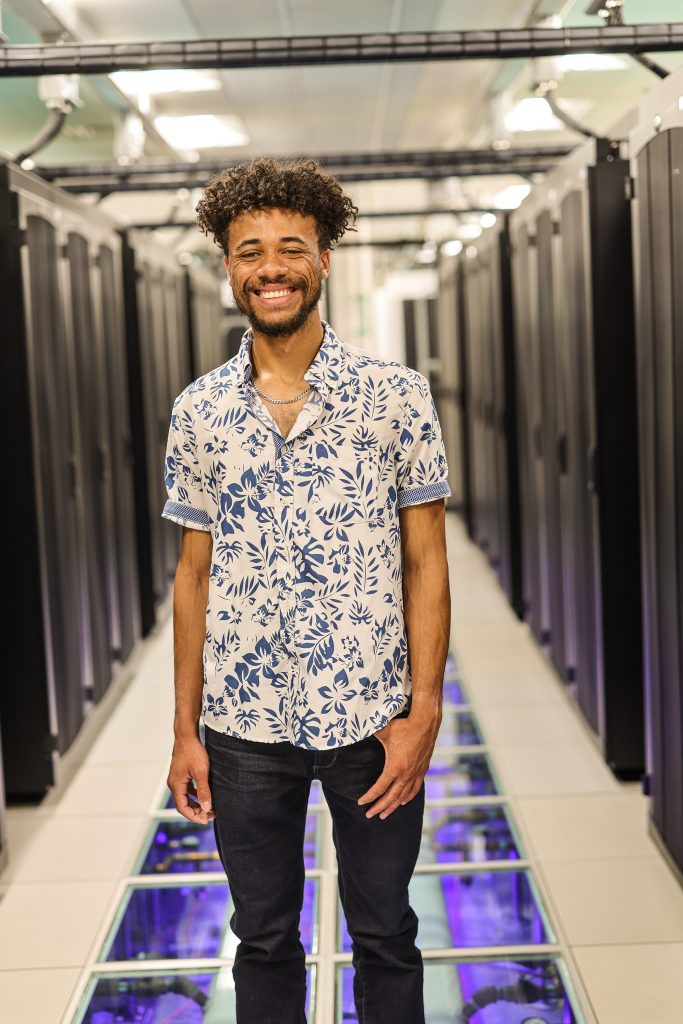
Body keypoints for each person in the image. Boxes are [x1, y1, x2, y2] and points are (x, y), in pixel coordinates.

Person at [163, 157, 451, 1024]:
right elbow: (193, 574)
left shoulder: (393, 397)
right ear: (228, 268)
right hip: (244, 727)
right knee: (261, 940)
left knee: (386, 932)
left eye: (291, 247)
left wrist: (424, 710)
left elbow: (426, 562)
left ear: (324, 259)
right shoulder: (199, 410)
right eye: (250, 251)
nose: (271, 267)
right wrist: (184, 729)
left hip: (372, 714)